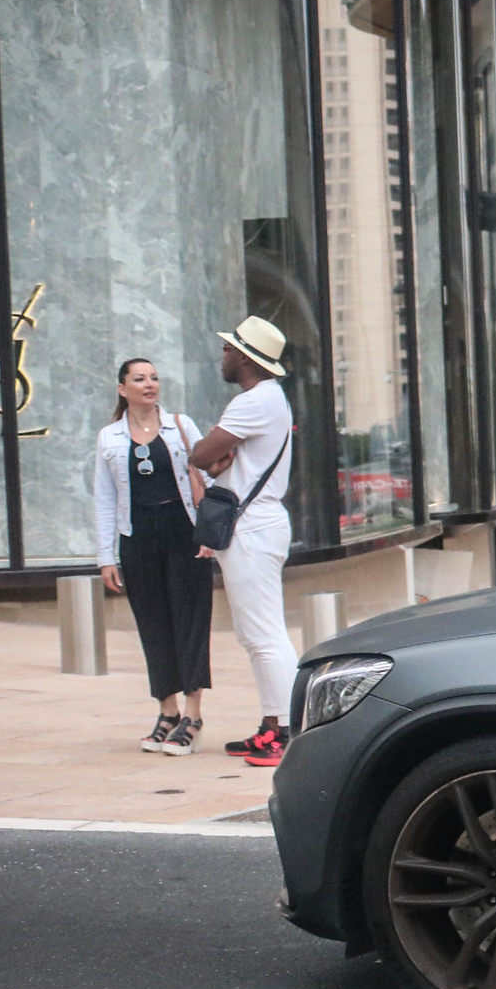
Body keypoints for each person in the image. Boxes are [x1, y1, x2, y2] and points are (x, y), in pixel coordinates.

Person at [186, 316, 296, 769]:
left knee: (265, 634)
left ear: (248, 358)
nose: (224, 355)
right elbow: (217, 462)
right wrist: (216, 462)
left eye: (230, 350)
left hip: (252, 527)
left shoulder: (255, 401)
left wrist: (211, 458)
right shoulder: (268, 400)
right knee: (255, 634)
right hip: (253, 524)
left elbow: (199, 455)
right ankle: (273, 725)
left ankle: (287, 730)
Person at [93, 358, 213, 756]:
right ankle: (168, 711)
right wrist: (105, 558)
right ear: (122, 388)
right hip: (137, 537)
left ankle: (193, 714)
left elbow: (208, 478)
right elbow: (105, 500)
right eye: (139, 379)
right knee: (153, 624)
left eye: (154, 378)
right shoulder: (109, 437)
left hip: (184, 533)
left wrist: (209, 533)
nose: (149, 384)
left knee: (191, 619)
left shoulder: (180, 425)